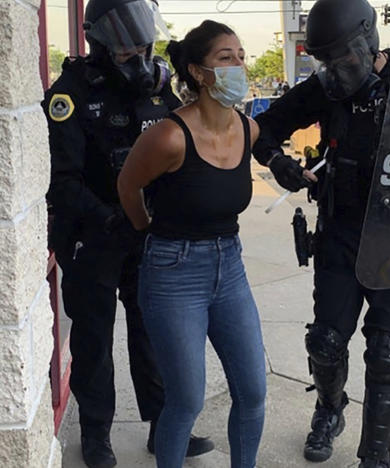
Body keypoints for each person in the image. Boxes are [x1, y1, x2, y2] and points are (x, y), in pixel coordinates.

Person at [252, 0, 390, 467]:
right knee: (326, 342)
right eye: (326, 60)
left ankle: (376, 454)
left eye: (345, 57)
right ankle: (330, 410)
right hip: (341, 233)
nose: (337, 69)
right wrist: (278, 162)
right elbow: (264, 127)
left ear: (369, 40)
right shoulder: (326, 87)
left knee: (387, 351)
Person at [41, 1, 213, 466]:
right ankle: (96, 434)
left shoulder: (161, 90)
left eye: (143, 47)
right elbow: (62, 180)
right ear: (99, 44)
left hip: (148, 238)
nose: (138, 59)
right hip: (91, 237)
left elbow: (184, 154)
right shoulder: (71, 93)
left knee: (155, 333)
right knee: (94, 339)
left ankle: (164, 426)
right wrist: (110, 217)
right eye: (125, 52)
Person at [117, 20, 267, 468]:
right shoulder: (168, 136)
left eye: (241, 55)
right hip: (173, 272)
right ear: (199, 73)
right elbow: (127, 186)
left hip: (230, 268)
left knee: (254, 393)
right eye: (226, 58)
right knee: (185, 401)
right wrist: (149, 233)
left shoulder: (248, 130)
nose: (238, 65)